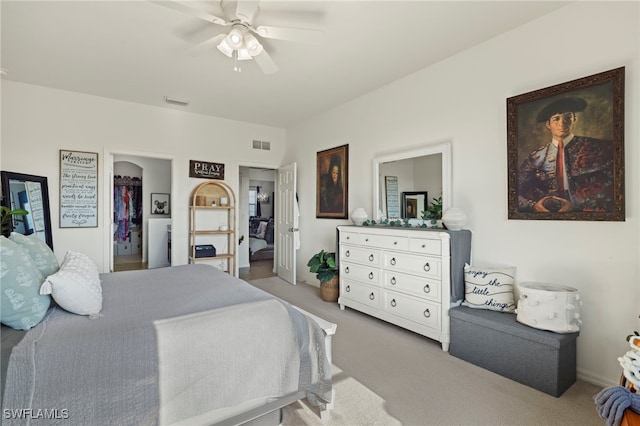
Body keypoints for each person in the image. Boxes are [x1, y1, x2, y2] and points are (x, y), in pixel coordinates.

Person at [518, 96, 614, 213]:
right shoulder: (536, 158)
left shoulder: (597, 148)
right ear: (548, 124)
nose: (562, 123)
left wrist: (575, 205)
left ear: (574, 119)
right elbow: (515, 191)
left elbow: (611, 187)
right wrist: (533, 206)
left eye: (567, 117)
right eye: (556, 119)